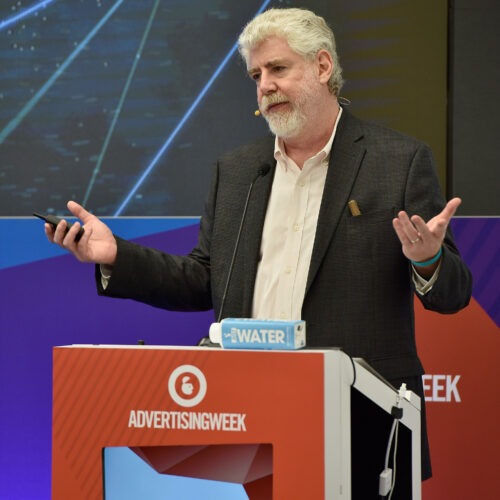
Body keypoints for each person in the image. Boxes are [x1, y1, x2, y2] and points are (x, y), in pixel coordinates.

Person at [44, 7, 472, 498]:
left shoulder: (397, 161)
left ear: (323, 67)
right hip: (251, 423)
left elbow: (452, 294)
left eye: (277, 68)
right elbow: (202, 279)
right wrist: (115, 254)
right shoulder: (238, 172)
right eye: (255, 75)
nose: (264, 84)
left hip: (362, 425)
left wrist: (426, 259)